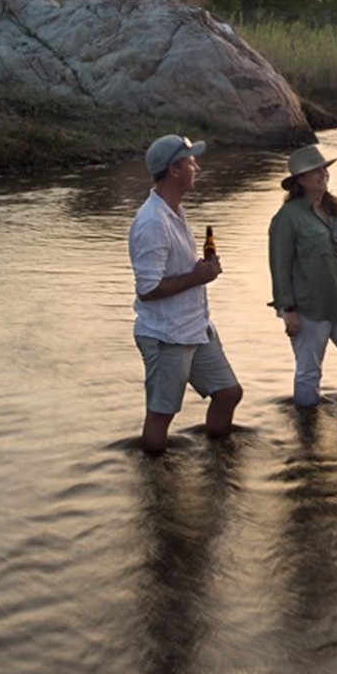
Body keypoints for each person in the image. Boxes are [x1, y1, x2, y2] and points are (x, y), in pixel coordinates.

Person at [128, 134, 244, 454]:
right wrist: (196, 277)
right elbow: (148, 289)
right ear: (175, 170)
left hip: (195, 327)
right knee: (161, 415)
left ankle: (219, 463)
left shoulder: (175, 211)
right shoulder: (152, 222)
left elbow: (173, 271)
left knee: (228, 393)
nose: (197, 167)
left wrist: (201, 270)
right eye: (191, 162)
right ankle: (156, 476)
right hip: (166, 335)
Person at [268, 144, 337, 406]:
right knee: (309, 371)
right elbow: (279, 266)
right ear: (300, 180)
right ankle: (306, 423)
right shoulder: (287, 217)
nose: (323, 174)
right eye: (315, 170)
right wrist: (287, 310)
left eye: (324, 169)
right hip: (309, 307)